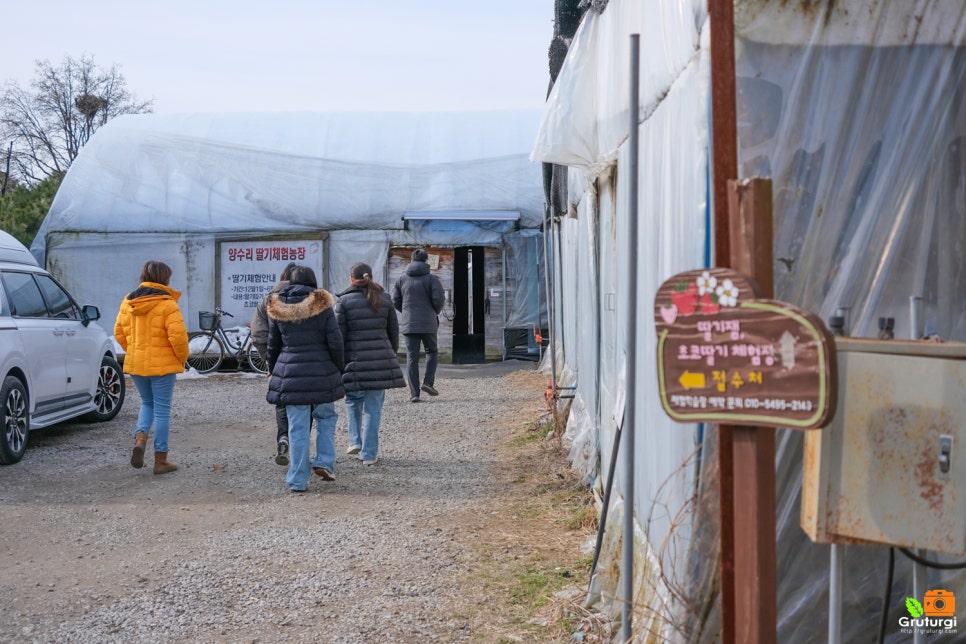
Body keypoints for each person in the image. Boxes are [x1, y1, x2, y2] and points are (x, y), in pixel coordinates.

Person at [265, 265, 345, 492]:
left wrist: (274, 369)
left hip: (290, 374)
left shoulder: (276, 305)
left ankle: (297, 480)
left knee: (297, 427)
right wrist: (338, 367)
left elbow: (273, 344)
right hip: (322, 372)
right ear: (312, 280)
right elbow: (335, 341)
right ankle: (324, 462)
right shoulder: (322, 303)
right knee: (326, 418)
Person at [114, 260, 190, 475]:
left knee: (147, 403)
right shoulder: (167, 304)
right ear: (164, 278)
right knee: (163, 410)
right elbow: (179, 339)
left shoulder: (128, 302)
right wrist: (181, 359)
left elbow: (119, 332)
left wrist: (135, 350)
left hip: (137, 365)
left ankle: (140, 438)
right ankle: (160, 460)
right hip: (162, 367)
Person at [335, 262, 406, 466]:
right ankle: (369, 454)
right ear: (370, 277)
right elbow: (393, 332)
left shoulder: (344, 302)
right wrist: (389, 354)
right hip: (379, 362)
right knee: (373, 408)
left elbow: (339, 336)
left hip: (354, 362)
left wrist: (340, 362)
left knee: (352, 400)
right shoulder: (385, 298)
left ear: (351, 279)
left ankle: (354, 441)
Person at [251, 261, 298, 466]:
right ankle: (300, 446)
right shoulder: (312, 300)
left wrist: (269, 360)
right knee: (306, 403)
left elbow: (259, 334)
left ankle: (283, 437)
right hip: (307, 359)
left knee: (281, 400)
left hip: (278, 359)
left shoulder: (267, 301)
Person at [391, 248, 445, 403]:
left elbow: (395, 301)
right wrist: (432, 312)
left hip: (409, 324)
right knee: (431, 352)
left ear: (411, 260)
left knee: (412, 357)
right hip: (428, 323)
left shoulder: (401, 279)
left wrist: (407, 312)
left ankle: (414, 394)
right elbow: (439, 300)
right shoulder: (432, 279)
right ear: (426, 261)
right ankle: (428, 383)